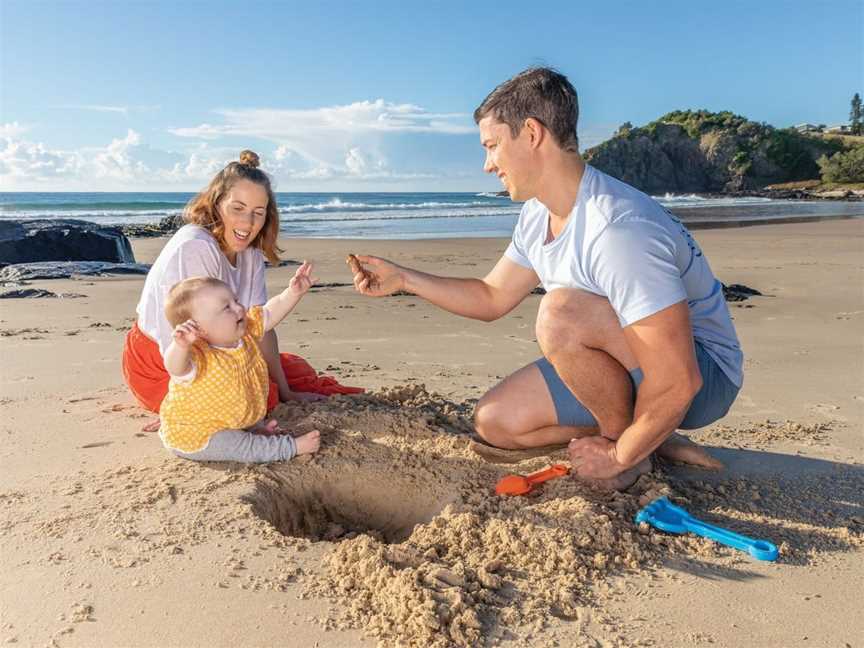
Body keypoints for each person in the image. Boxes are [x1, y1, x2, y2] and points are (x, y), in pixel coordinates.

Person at [348, 67, 742, 489]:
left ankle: (627, 446)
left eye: (492, 146)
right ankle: (651, 434)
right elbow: (492, 296)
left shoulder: (618, 228)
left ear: (532, 134)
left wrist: (618, 454)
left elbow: (680, 380)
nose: (487, 165)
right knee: (497, 421)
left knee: (560, 312)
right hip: (631, 359)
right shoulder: (539, 213)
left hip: (704, 374)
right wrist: (404, 279)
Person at [122, 150, 362, 420]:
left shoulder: (250, 253)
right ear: (216, 204)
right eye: (237, 209)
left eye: (258, 213)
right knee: (252, 397)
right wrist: (181, 408)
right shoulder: (195, 247)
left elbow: (259, 325)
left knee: (293, 374)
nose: (247, 223)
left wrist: (285, 392)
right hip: (168, 358)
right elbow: (186, 338)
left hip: (220, 346)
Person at [159, 273, 320, 462]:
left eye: (235, 300)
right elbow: (174, 368)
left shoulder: (245, 333)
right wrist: (180, 346)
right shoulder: (198, 356)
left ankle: (251, 431)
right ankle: (289, 447)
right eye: (227, 307)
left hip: (230, 420)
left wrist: (292, 293)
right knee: (238, 445)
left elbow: (269, 313)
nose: (239, 308)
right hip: (198, 433)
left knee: (242, 432)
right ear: (200, 329)